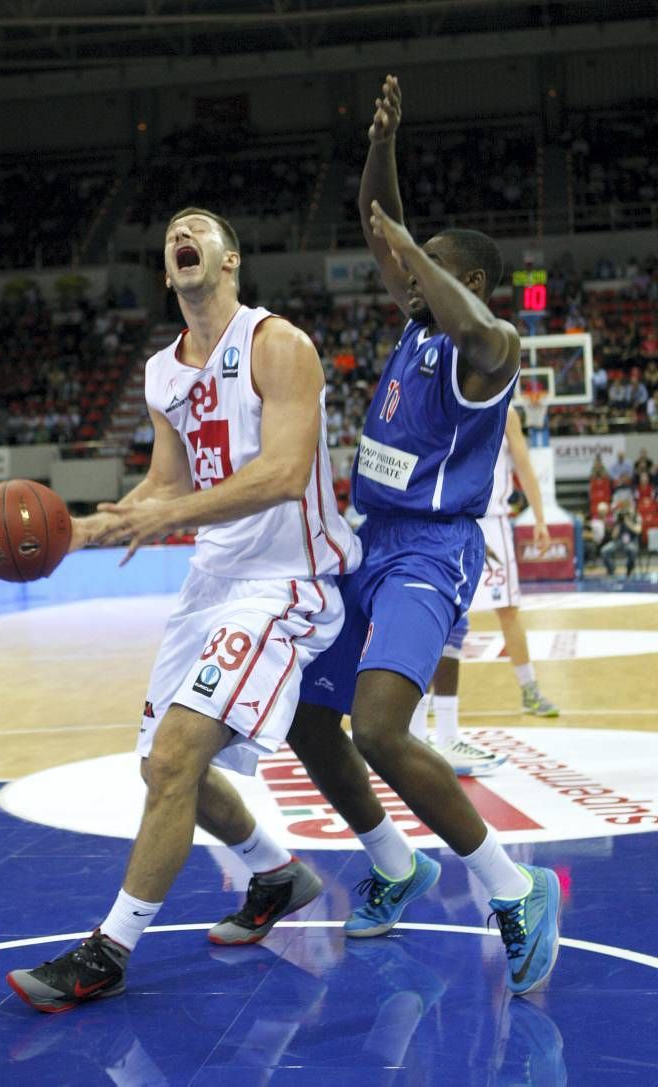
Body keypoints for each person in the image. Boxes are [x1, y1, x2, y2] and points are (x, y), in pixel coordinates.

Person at [219, 75, 561, 997]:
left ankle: (513, 884)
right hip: (367, 542)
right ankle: (393, 861)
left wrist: (413, 245)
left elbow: (476, 318)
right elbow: (379, 219)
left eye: (425, 265)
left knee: (378, 726)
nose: (403, 272)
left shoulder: (488, 352)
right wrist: (382, 148)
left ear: (468, 280)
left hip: (429, 553)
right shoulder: (415, 325)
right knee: (305, 717)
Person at [6, 206, 362, 1012]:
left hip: (288, 581)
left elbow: (281, 472)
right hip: (211, 584)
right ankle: (275, 873)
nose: (181, 236)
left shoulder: (280, 345)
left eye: (197, 229)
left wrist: (166, 515)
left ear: (229, 259)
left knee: (172, 758)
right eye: (171, 234)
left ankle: (108, 951)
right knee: (160, 768)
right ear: (168, 272)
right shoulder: (161, 371)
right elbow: (166, 483)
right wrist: (88, 525)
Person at [417, 403, 559, 778]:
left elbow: (524, 465)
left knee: (506, 609)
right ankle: (425, 710)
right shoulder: (446, 402)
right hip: (451, 521)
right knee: (443, 618)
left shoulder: (505, 412)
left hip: (491, 523)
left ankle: (528, 688)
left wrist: (540, 517)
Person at [601, 497, 641, 577]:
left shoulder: (636, 516)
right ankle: (611, 569)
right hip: (618, 542)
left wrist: (628, 522)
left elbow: (638, 530)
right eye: (624, 508)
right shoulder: (619, 518)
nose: (626, 510)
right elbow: (613, 536)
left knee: (632, 550)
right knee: (604, 550)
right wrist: (618, 524)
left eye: (628, 508)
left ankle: (628, 570)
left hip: (631, 541)